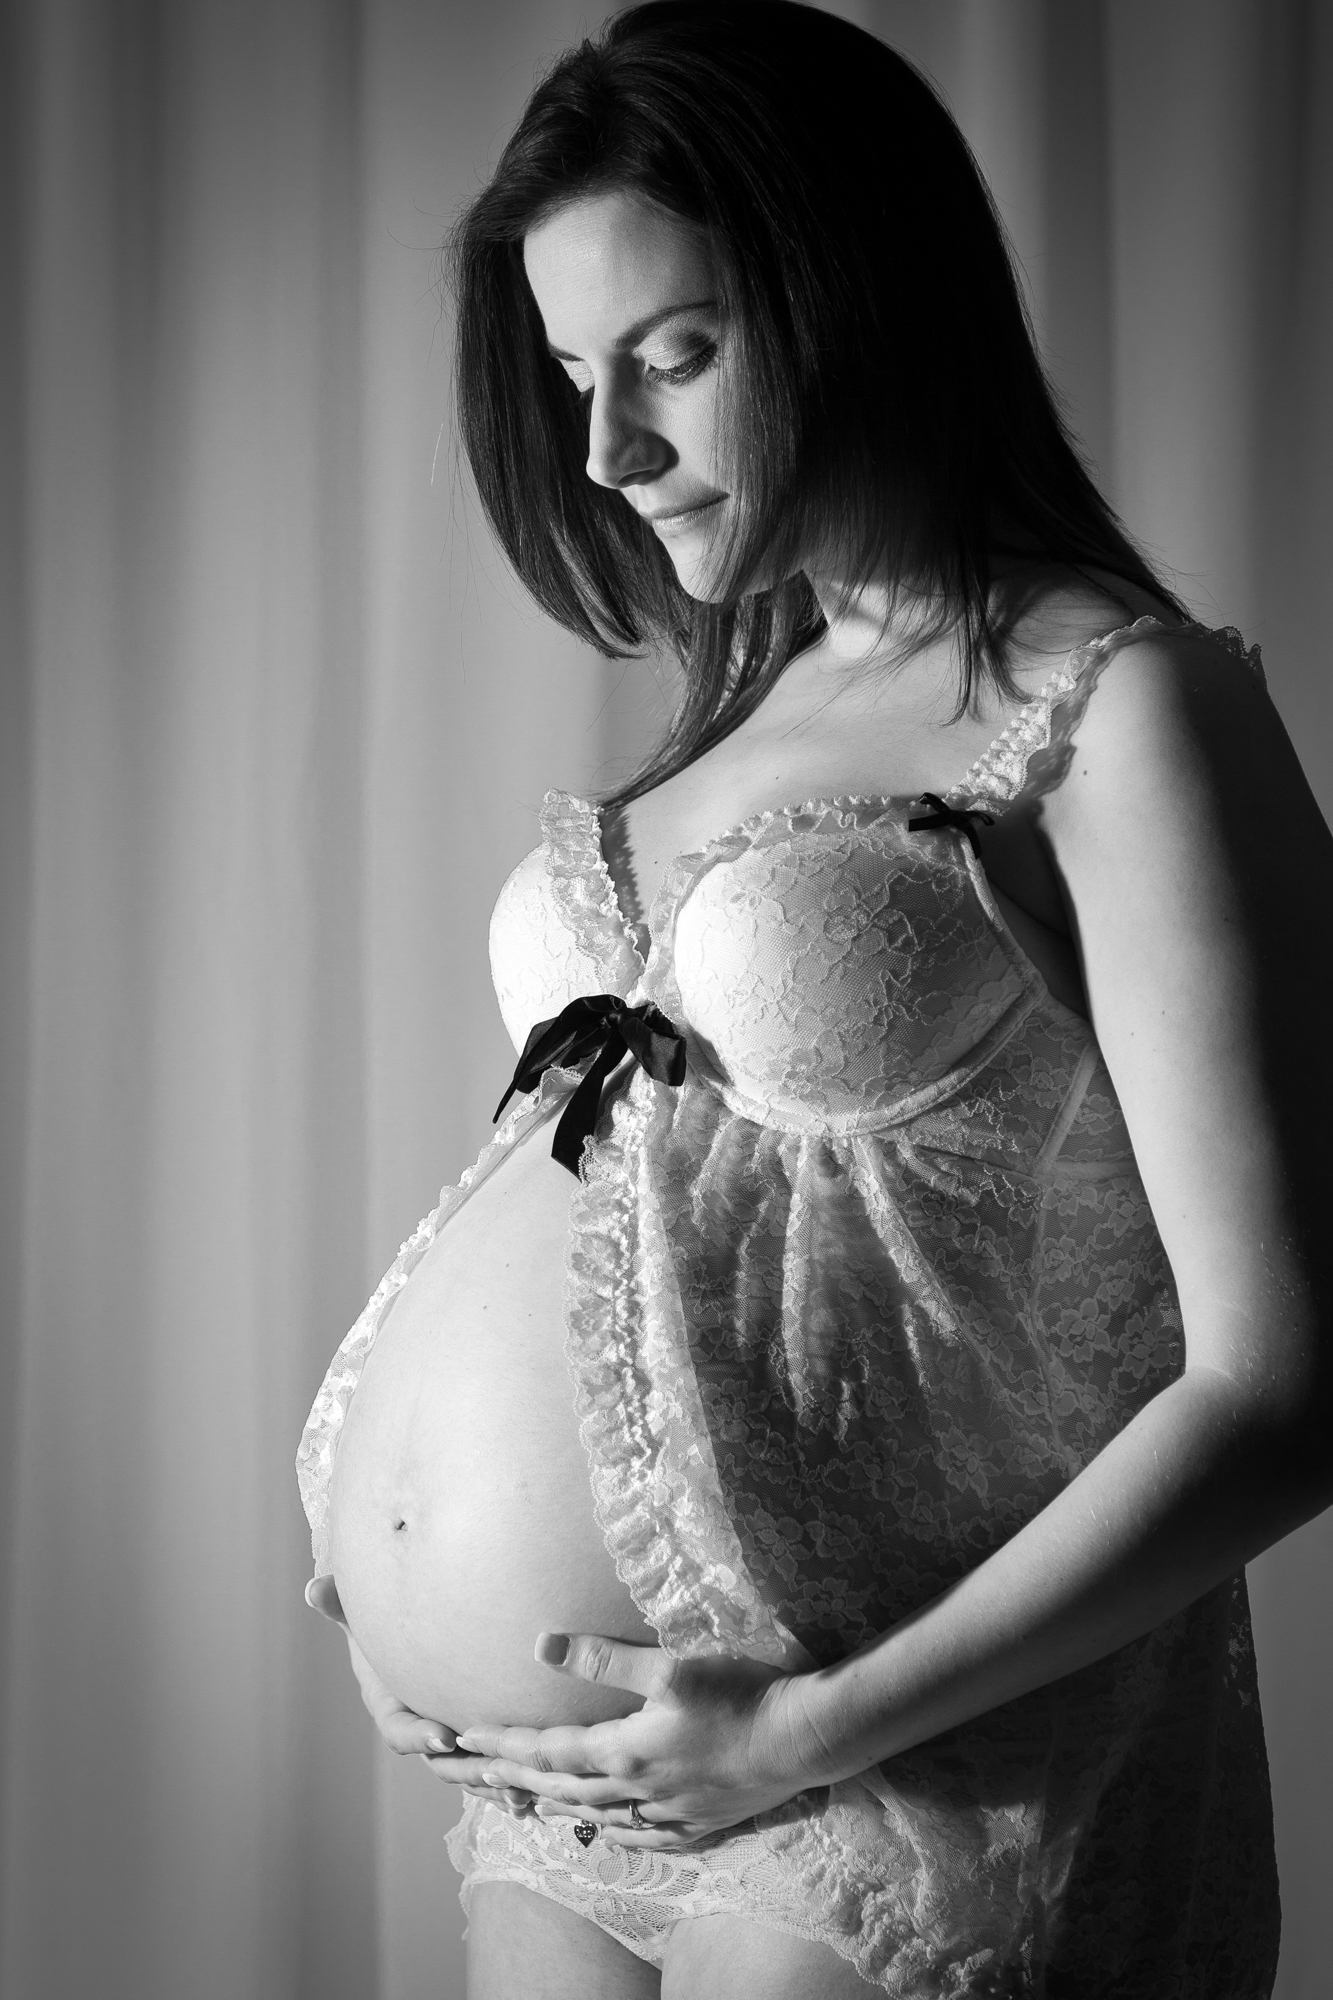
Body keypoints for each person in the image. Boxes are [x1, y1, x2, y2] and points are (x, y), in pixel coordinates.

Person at [299, 3, 1333, 1993]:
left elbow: (1285, 1385)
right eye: (576, 374)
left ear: (854, 295)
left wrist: (807, 1727)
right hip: (566, 1786)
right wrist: (382, 1512)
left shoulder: (1119, 711)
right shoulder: (733, 723)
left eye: (672, 353)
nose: (606, 450)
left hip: (896, 1771)